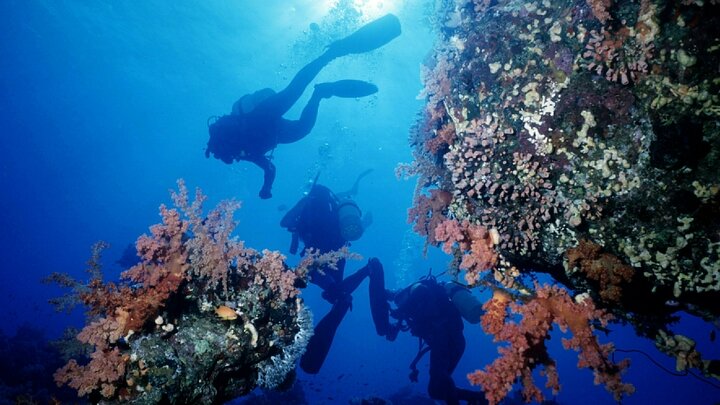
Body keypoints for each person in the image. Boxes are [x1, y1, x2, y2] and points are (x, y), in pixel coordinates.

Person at [205, 14, 401, 199]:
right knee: (303, 128)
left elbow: (264, 163)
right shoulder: (247, 153)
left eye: (227, 157)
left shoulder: (235, 141)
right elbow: (269, 169)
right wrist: (266, 187)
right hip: (274, 131)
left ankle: (330, 55)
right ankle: (320, 92)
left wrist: (266, 186)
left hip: (261, 116)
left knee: (295, 89)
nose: (232, 159)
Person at [280, 174, 373, 373]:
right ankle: (365, 272)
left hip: (315, 256)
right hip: (337, 254)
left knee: (329, 287)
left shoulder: (307, 203)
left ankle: (343, 293)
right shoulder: (334, 207)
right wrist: (364, 224)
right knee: (337, 293)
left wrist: (298, 215)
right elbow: (348, 231)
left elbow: (284, 222)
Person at [369, 262, 489, 405]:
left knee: (441, 379)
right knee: (436, 390)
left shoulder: (414, 289)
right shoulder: (413, 306)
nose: (399, 303)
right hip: (452, 342)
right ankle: (479, 397)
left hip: (444, 337)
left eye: (399, 300)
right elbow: (402, 305)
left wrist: (400, 310)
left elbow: (421, 292)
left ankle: (476, 399)